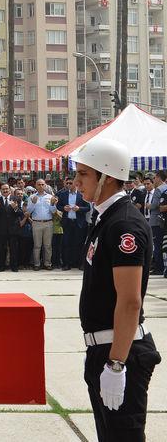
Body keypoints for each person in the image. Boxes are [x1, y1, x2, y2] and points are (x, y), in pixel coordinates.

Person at [73, 138, 161, 442]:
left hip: (121, 353)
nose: (76, 182)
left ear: (107, 176)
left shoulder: (123, 225)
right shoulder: (105, 218)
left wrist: (116, 364)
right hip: (103, 349)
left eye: (83, 174)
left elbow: (129, 302)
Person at [57, 178, 90, 271]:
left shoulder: (82, 194)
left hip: (79, 222)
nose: (68, 185)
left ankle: (80, 263)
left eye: (70, 183)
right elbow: (58, 206)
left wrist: (79, 208)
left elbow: (87, 208)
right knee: (67, 243)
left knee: (79, 244)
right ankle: (67, 264)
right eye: (67, 183)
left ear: (75, 184)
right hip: (67, 222)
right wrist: (63, 208)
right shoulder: (63, 194)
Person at [28, 179, 57, 270]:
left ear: (45, 186)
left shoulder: (50, 196)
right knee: (37, 245)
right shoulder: (31, 197)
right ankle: (36, 264)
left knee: (48, 245)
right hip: (36, 223)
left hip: (48, 222)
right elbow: (28, 212)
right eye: (39, 184)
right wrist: (33, 203)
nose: (41, 186)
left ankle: (47, 263)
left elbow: (54, 211)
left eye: (42, 184)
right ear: (36, 186)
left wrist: (52, 204)